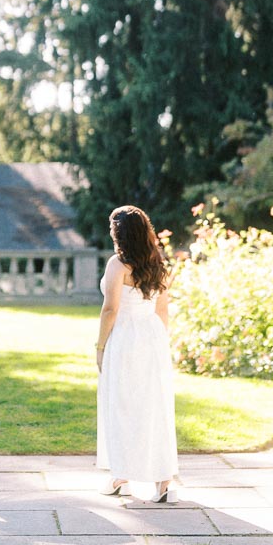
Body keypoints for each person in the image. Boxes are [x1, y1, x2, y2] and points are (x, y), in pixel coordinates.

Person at [95, 204, 178, 502]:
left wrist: (100, 346)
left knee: (122, 405)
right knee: (155, 407)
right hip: (152, 335)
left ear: (120, 234)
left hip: (126, 337)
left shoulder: (117, 265)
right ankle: (164, 483)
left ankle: (121, 476)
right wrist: (159, 344)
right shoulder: (158, 263)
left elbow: (110, 309)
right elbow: (163, 309)